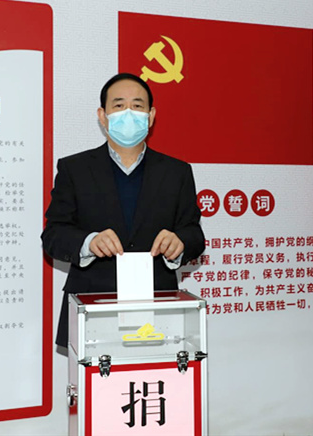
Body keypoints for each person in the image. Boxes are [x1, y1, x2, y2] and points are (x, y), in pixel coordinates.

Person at [41, 72, 205, 347]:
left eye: (137, 106)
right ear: (102, 116)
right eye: (118, 105)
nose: (128, 113)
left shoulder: (177, 172)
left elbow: (194, 234)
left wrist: (179, 243)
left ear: (151, 116)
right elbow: (53, 235)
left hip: (159, 308)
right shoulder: (74, 169)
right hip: (91, 309)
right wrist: (89, 242)